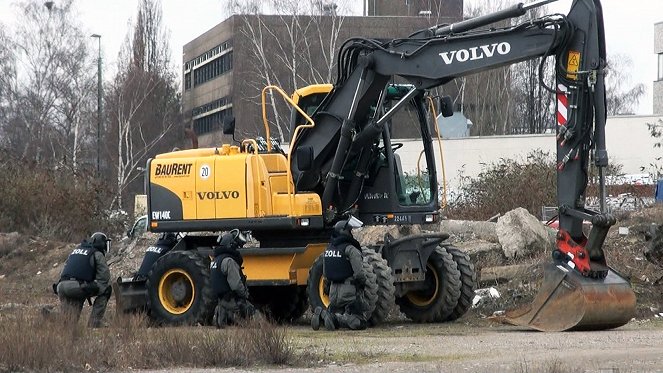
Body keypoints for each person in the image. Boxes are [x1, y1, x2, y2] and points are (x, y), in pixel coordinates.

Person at [312, 216, 367, 331]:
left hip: (333, 293)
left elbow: (325, 274)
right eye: (350, 231)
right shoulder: (350, 249)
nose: (351, 234)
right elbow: (360, 274)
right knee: (359, 322)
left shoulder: (329, 249)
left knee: (338, 310)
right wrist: (362, 285)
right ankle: (336, 319)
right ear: (345, 232)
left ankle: (324, 314)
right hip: (348, 291)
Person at [54, 232, 112, 328]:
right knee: (106, 290)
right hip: (77, 287)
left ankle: (55, 316)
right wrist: (93, 285)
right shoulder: (97, 254)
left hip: (61, 287)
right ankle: (95, 322)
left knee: (69, 322)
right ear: (102, 244)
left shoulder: (76, 250)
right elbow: (104, 278)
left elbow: (64, 270)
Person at [210, 229, 255, 328]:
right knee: (256, 318)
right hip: (232, 303)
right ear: (231, 245)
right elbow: (236, 285)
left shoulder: (215, 260)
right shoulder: (229, 261)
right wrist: (245, 295)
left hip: (221, 303)